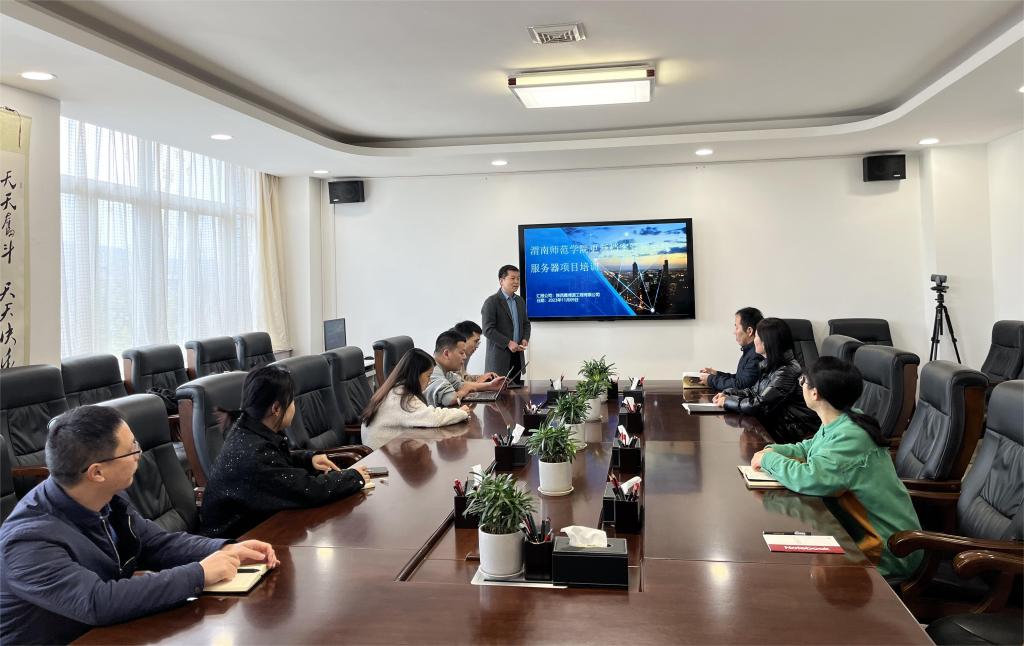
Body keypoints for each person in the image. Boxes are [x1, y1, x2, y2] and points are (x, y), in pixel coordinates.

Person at [0, 406, 279, 645]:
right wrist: (199, 574)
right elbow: (98, 602)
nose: (139, 455)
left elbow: (155, 544)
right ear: (97, 472)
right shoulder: (27, 541)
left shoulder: (107, 497)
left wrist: (225, 549)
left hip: (106, 633)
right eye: (131, 449)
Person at [749, 356, 924, 579]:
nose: (801, 385)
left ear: (815, 393)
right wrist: (772, 450)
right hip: (849, 531)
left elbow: (811, 478)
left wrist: (769, 460)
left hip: (885, 548)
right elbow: (808, 449)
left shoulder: (851, 435)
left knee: (791, 574)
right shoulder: (842, 420)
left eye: (803, 381)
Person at [200, 365, 371, 539]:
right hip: (235, 543)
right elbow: (308, 490)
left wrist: (308, 459)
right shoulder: (254, 454)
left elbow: (275, 461)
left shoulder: (246, 428)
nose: (294, 406)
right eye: (292, 401)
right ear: (276, 408)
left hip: (258, 527)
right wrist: (353, 476)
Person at [712, 317, 818, 442]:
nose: (754, 340)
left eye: (757, 336)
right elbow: (753, 391)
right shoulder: (771, 365)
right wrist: (728, 393)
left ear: (767, 341)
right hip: (778, 426)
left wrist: (728, 401)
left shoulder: (786, 371)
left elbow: (759, 405)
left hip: (793, 433)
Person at [361, 348, 472, 448]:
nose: (429, 381)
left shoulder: (396, 390)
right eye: (428, 376)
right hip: (379, 457)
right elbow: (433, 418)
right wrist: (461, 412)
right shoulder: (400, 397)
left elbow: (425, 414)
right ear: (416, 375)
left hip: (390, 450)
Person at [424, 329, 504, 407]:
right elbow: (450, 399)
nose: (465, 357)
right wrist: (466, 389)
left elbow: (461, 384)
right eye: (461, 353)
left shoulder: (446, 371)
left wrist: (491, 385)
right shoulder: (432, 370)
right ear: (447, 354)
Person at [482, 264, 530, 384]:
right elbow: (488, 330)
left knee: (517, 392)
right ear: (501, 281)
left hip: (517, 356)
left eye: (518, 278)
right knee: (499, 393)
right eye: (512, 278)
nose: (516, 282)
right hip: (499, 359)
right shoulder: (491, 302)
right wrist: (508, 343)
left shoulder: (520, 301)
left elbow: (526, 324)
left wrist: (525, 338)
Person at [700, 306, 763, 391]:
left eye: (737, 328)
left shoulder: (756, 354)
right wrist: (716, 374)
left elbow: (741, 385)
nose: (734, 332)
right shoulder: (749, 351)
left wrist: (710, 379)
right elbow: (739, 378)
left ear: (749, 331)